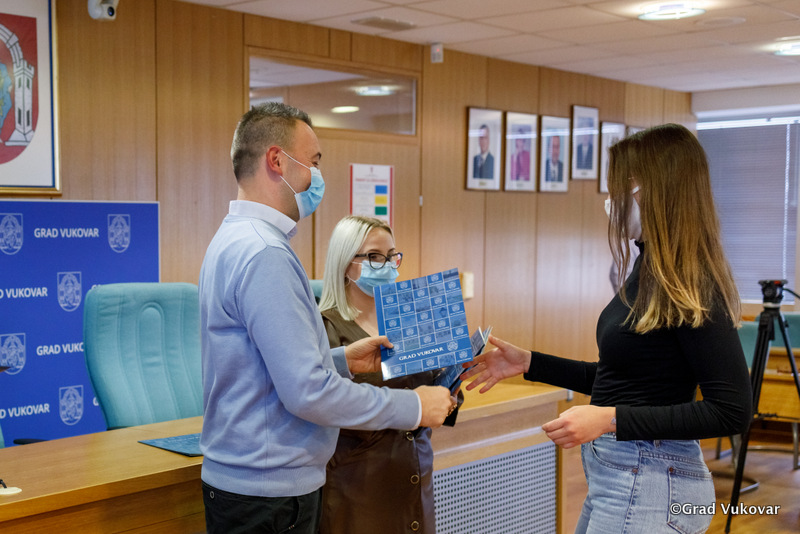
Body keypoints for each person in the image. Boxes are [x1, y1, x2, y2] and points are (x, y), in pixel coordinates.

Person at [462, 123, 752, 533]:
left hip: (650, 479)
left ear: (650, 190)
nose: (611, 199)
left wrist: (610, 419)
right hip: (623, 476)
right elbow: (628, 379)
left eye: (620, 186)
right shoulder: (650, 267)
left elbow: (732, 410)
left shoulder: (691, 283)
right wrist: (530, 363)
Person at [198, 102, 453, 534]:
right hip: (270, 496)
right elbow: (308, 394)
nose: (317, 176)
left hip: (253, 486)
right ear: (277, 161)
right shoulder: (265, 253)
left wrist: (339, 361)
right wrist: (413, 406)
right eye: (313, 162)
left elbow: (263, 368)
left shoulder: (235, 239)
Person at [317, 215, 461, 534]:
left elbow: (438, 401)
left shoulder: (412, 321)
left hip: (415, 478)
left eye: (391, 255)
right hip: (358, 488)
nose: (386, 265)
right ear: (345, 264)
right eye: (373, 256)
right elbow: (325, 406)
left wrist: (453, 377)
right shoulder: (325, 327)